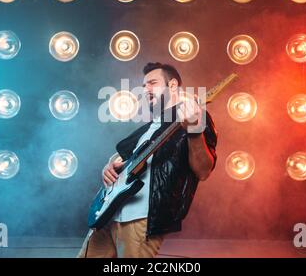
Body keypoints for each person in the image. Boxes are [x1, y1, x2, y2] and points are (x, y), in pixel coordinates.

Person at [78, 62, 217, 258]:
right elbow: (125, 162)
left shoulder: (196, 116)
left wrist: (194, 130)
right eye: (144, 86)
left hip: (141, 218)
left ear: (173, 85)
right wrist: (109, 168)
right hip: (109, 214)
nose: (145, 89)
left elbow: (203, 170)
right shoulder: (149, 128)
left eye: (152, 83)